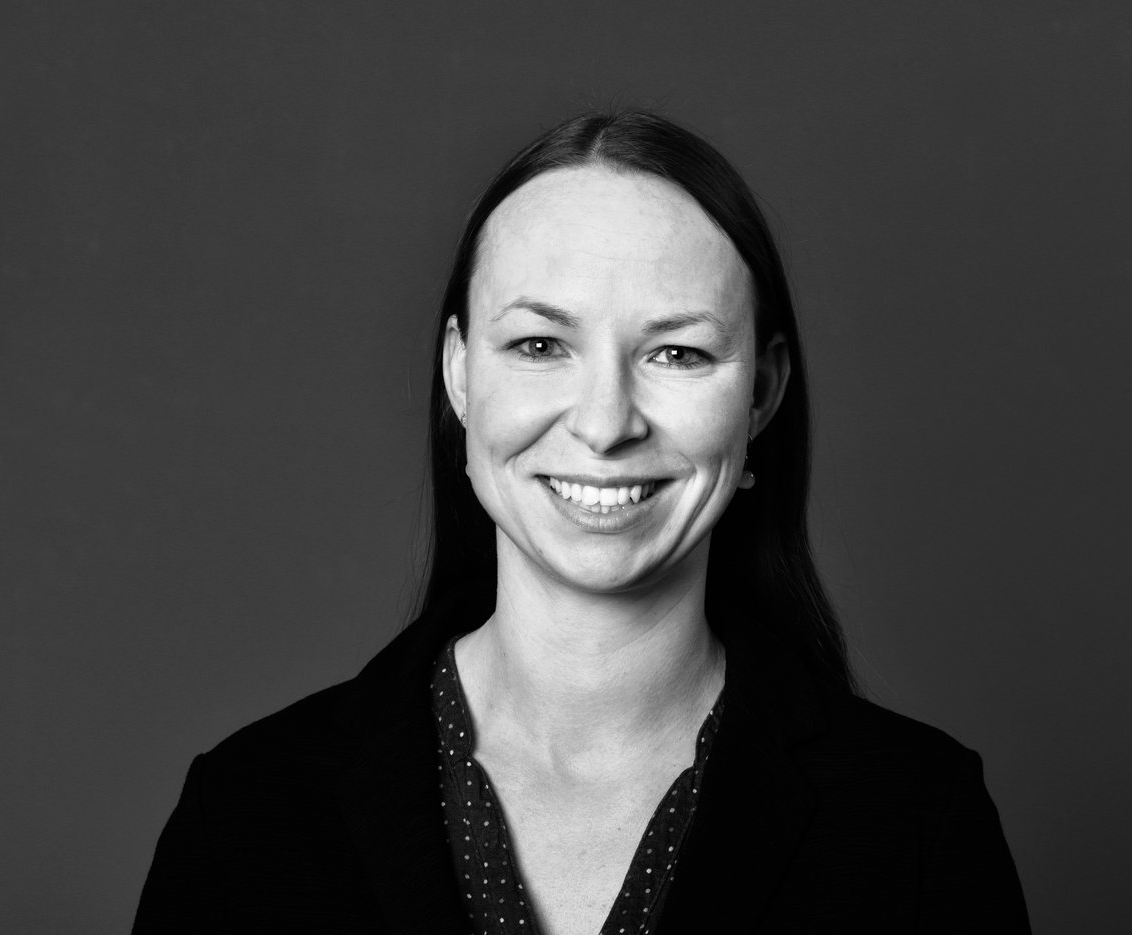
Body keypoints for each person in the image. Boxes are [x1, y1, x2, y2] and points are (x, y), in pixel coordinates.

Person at [133, 111, 1031, 933]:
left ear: (761, 390)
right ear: (459, 374)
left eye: (676, 351)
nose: (606, 423)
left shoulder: (917, 823)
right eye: (539, 345)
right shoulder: (247, 813)